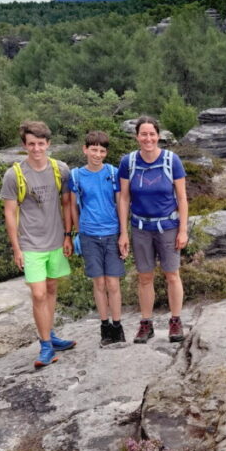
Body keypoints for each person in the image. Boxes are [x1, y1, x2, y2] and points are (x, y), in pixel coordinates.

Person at [0, 120, 76, 368]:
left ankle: (51, 335)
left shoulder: (60, 169)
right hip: (30, 243)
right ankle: (45, 346)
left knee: (52, 289)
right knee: (38, 293)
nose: (36, 149)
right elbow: (10, 213)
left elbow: (66, 204)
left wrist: (67, 235)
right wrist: (16, 248)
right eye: (31, 144)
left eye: (40, 144)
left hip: (55, 240)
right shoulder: (15, 175)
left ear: (48, 144)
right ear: (24, 145)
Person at [117, 116, 188, 344]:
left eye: (152, 134)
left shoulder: (171, 160)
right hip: (140, 227)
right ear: (137, 136)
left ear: (158, 135)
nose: (148, 138)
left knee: (172, 275)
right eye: (143, 134)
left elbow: (182, 197)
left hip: (168, 226)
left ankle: (175, 321)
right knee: (144, 277)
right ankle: (145, 324)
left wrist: (183, 230)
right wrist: (124, 232)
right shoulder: (128, 162)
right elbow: (124, 198)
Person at [70, 130, 126, 346]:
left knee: (113, 283)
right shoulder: (76, 176)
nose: (97, 154)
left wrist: (123, 233)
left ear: (106, 152)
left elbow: (121, 204)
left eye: (102, 150)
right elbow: (73, 206)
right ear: (85, 149)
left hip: (111, 233)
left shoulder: (113, 173)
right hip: (89, 235)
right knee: (99, 283)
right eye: (93, 149)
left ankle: (118, 326)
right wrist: (76, 232)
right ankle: (105, 327)